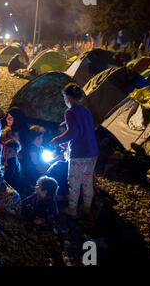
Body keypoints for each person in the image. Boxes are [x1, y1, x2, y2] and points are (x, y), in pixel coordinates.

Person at [50, 83, 98, 217]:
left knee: (74, 182)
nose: (64, 100)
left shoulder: (70, 112)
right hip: (92, 151)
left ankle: (72, 209)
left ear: (69, 97)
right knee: (87, 181)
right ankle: (87, 207)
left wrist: (58, 140)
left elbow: (72, 133)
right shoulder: (86, 110)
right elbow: (83, 131)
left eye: (64, 97)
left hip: (79, 153)